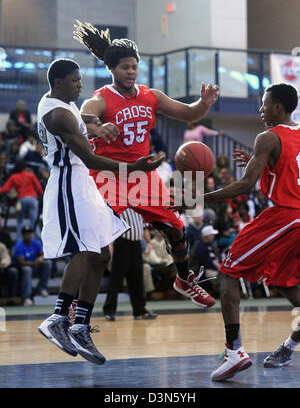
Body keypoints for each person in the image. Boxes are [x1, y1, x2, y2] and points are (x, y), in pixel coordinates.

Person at [74, 21, 219, 308]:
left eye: (134, 66)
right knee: (97, 245)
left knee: (176, 230)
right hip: (108, 174)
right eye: (125, 67)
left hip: (142, 176)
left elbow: (189, 112)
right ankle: (72, 306)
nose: (130, 72)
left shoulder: (150, 95)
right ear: (112, 69)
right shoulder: (101, 98)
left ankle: (183, 280)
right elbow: (81, 118)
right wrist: (97, 127)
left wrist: (204, 104)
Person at [36, 58, 164, 364]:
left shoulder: (62, 106)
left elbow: (82, 140)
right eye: (75, 80)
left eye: (80, 79)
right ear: (58, 82)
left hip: (82, 182)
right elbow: (91, 159)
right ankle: (57, 319)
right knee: (84, 250)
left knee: (103, 254)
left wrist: (95, 131)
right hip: (69, 182)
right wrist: (133, 167)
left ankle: (80, 325)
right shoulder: (57, 114)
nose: (80, 84)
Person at [201, 83, 300, 381]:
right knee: (285, 284)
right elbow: (289, 170)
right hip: (296, 219)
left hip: (285, 216)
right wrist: (265, 164)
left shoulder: (268, 137)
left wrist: (196, 199)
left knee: (229, 273)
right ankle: (289, 346)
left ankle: (234, 351)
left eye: (265, 104)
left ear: (278, 108)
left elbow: (245, 186)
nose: (261, 110)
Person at [103, 208, 157, 321]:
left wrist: (149, 243)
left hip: (136, 245)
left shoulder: (140, 206)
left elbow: (144, 227)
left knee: (137, 278)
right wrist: (109, 243)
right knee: (116, 279)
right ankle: (109, 310)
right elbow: (109, 224)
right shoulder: (120, 204)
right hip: (122, 243)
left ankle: (139, 311)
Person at [0, 160, 44, 240]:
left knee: (19, 221)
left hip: (22, 200)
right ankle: (38, 240)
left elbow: (4, 190)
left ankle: (19, 240)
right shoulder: (31, 175)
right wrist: (41, 197)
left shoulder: (14, 176)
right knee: (33, 222)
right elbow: (39, 188)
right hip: (32, 199)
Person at [11, 225, 51, 305]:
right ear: (22, 235)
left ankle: (42, 288)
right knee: (27, 269)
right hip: (21, 271)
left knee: (48, 263)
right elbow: (21, 262)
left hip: (34, 267)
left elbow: (43, 255)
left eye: (29, 233)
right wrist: (34, 263)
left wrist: (40, 258)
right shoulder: (19, 245)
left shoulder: (36, 243)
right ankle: (26, 297)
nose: (28, 235)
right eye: (26, 233)